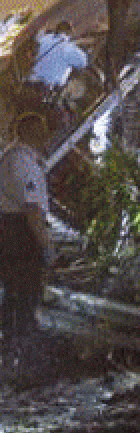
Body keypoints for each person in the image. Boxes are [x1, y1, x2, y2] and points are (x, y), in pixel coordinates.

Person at [0, 113, 52, 369]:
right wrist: (46, 245)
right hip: (20, 234)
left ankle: (12, 345)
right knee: (26, 290)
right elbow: (32, 209)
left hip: (9, 230)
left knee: (13, 290)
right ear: (32, 132)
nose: (47, 135)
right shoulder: (23, 161)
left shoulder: (12, 156)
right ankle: (25, 352)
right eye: (42, 129)